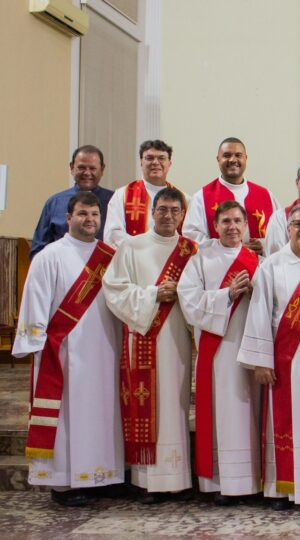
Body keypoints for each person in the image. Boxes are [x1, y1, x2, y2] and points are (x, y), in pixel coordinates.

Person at [14, 191, 123, 506]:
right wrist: (36, 343)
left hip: (104, 348)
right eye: (83, 214)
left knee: (101, 414)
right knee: (68, 418)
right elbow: (35, 300)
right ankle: (62, 482)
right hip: (63, 352)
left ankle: (100, 476)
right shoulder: (50, 255)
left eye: (94, 215)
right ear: (68, 217)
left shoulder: (109, 256)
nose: (89, 220)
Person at [238, 202, 300, 510]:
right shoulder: (272, 265)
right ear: (288, 228)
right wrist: (261, 361)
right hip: (287, 358)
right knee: (284, 424)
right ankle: (282, 490)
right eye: (298, 224)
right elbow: (258, 314)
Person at [102, 187, 197, 503]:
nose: (168, 215)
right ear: (152, 212)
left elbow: (201, 293)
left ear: (182, 215)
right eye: (163, 209)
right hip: (144, 336)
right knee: (149, 404)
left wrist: (182, 295)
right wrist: (153, 294)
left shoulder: (191, 250)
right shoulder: (131, 246)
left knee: (176, 404)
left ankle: (179, 478)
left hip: (178, 339)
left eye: (175, 210)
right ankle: (146, 482)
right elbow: (114, 289)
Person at [176, 200, 260, 505]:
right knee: (220, 414)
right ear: (216, 224)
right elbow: (188, 300)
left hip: (248, 349)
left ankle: (249, 482)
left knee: (248, 411)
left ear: (245, 224)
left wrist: (255, 292)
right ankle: (219, 482)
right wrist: (228, 294)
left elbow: (270, 306)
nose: (233, 227)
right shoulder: (201, 259)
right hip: (217, 350)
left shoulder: (255, 260)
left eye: (238, 221)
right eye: (226, 221)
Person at [182, 137, 279, 255]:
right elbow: (192, 237)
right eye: (227, 155)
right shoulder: (201, 197)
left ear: (246, 158)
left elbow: (280, 235)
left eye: (238, 155)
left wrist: (264, 245)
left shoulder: (266, 196)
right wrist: (229, 247)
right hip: (220, 269)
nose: (233, 160)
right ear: (218, 159)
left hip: (260, 269)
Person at [31, 145, 113, 258]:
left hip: (103, 271)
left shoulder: (115, 201)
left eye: (92, 168)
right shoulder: (54, 203)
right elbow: (38, 250)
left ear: (102, 169)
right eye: (81, 167)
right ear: (72, 167)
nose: (87, 173)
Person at [104, 140, 185, 248]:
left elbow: (188, 236)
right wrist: (144, 249)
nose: (155, 162)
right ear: (141, 162)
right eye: (149, 158)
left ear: (169, 163)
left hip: (170, 259)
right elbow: (112, 234)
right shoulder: (122, 195)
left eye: (161, 158)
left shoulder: (184, 199)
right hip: (134, 259)